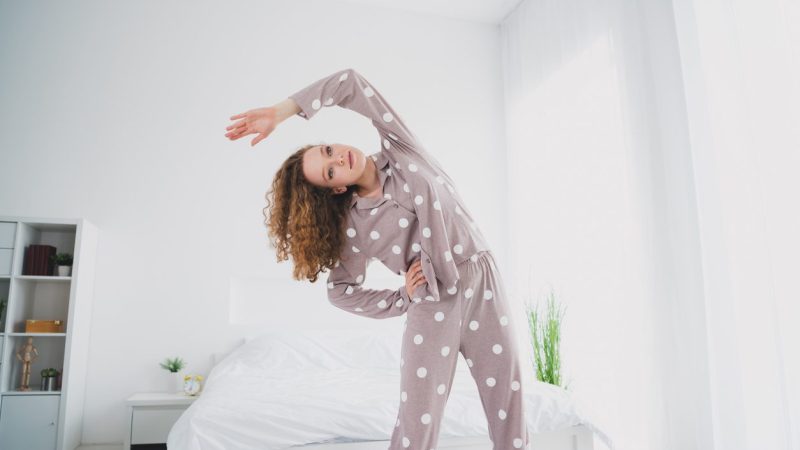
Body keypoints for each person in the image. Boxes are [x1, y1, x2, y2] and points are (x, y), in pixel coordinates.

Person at [225, 68, 530, 450]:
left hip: (481, 276)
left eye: (328, 151)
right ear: (336, 187)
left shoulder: (401, 148)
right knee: (418, 421)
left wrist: (281, 111)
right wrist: (402, 298)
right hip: (430, 299)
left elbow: (351, 83)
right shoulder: (355, 227)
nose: (339, 158)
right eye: (330, 170)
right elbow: (340, 291)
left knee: (507, 398)